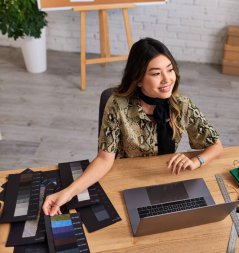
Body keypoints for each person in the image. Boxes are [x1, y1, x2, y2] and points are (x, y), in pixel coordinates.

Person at [43, 38, 223, 216]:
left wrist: (196, 161)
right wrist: (67, 193)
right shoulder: (117, 105)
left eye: (170, 70)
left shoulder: (181, 105)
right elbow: (105, 159)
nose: (167, 79)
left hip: (166, 178)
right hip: (126, 181)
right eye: (155, 73)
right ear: (138, 79)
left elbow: (216, 145)